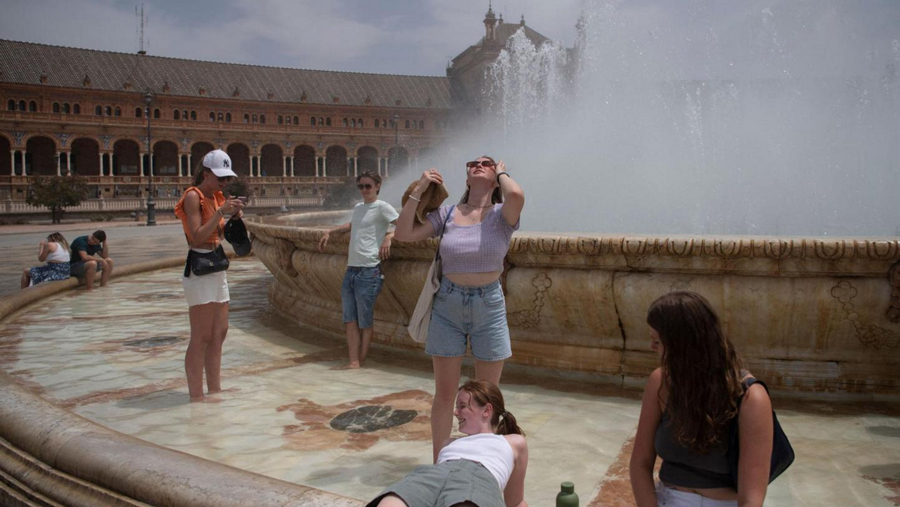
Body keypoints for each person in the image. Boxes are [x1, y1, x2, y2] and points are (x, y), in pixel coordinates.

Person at [393, 157, 525, 461]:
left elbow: (516, 195)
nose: (478, 165)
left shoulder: (502, 215)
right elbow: (403, 233)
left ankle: (482, 460)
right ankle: (441, 461)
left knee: (487, 396)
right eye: (473, 163)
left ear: (495, 179)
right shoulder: (447, 213)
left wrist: (502, 171)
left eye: (486, 163)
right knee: (445, 394)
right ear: (466, 178)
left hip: (489, 306)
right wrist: (420, 189)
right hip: (448, 305)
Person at [629, 292, 774, 507]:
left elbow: (751, 498)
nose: (652, 347)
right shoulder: (661, 382)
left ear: (682, 346)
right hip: (667, 499)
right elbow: (640, 463)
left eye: (657, 341)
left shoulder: (751, 398)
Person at [368, 379, 529, 507]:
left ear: (486, 410)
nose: (455, 412)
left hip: (478, 477)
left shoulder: (513, 442)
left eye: (462, 406)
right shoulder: (449, 443)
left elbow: (515, 502)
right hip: (432, 475)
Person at [173, 149, 244, 402]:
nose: (224, 183)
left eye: (226, 179)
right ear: (205, 173)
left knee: (219, 332)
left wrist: (232, 218)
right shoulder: (193, 196)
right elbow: (196, 236)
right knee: (201, 336)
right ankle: (196, 396)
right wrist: (220, 213)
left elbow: (218, 235)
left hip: (217, 266)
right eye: (220, 178)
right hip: (200, 268)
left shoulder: (217, 197)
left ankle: (215, 389)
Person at [318, 171, 398, 368]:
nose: (364, 190)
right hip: (351, 269)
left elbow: (404, 225)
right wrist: (330, 231)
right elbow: (354, 225)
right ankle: (353, 361)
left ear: (378, 186)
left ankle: (360, 359)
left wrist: (390, 236)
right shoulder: (359, 207)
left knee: (364, 319)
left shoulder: (383, 207)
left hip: (369, 270)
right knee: (350, 319)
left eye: (368, 186)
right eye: (360, 186)